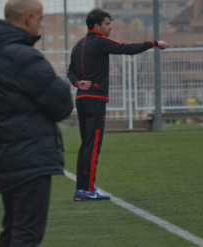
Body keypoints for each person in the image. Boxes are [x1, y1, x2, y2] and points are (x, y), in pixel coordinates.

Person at [0, 0, 73, 246]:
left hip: (9, 155)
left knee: (13, 230)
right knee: (26, 233)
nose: (42, 24)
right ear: (28, 18)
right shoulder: (22, 56)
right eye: (41, 18)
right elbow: (62, 103)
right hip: (30, 156)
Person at [67, 9, 170, 201]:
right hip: (95, 99)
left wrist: (77, 83)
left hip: (81, 98)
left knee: (86, 145)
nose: (110, 26)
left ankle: (82, 189)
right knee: (93, 146)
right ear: (97, 26)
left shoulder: (78, 44)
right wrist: (154, 43)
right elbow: (127, 48)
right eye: (107, 23)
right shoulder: (100, 41)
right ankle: (87, 191)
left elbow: (70, 71)